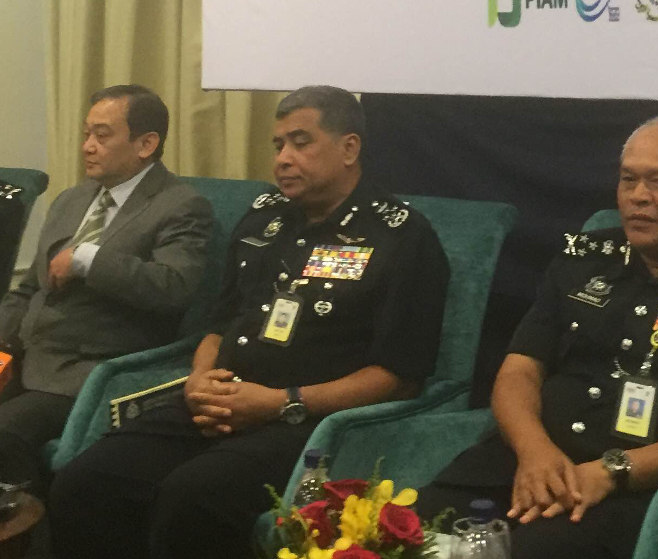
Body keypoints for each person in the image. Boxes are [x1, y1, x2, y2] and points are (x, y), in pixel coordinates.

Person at [49, 85, 450, 558]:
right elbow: (219, 325)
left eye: (301, 142)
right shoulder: (265, 218)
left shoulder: (401, 235)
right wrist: (200, 380)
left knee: (193, 495)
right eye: (278, 145)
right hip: (218, 402)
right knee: (83, 481)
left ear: (349, 148)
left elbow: (399, 376)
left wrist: (282, 402)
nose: (283, 157)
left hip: (308, 421)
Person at [416, 115, 658, 559]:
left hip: (631, 487)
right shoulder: (582, 260)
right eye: (628, 180)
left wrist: (611, 471)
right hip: (525, 463)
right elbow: (520, 369)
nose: (638, 197)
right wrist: (533, 449)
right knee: (403, 534)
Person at [0, 84, 213, 495]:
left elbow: (174, 286)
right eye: (86, 134)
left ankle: (32, 539)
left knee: (5, 435)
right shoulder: (72, 199)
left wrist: (88, 259)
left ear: (146, 143)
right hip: (25, 358)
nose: (87, 147)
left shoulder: (180, 205)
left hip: (91, 373)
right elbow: (27, 290)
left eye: (102, 135)